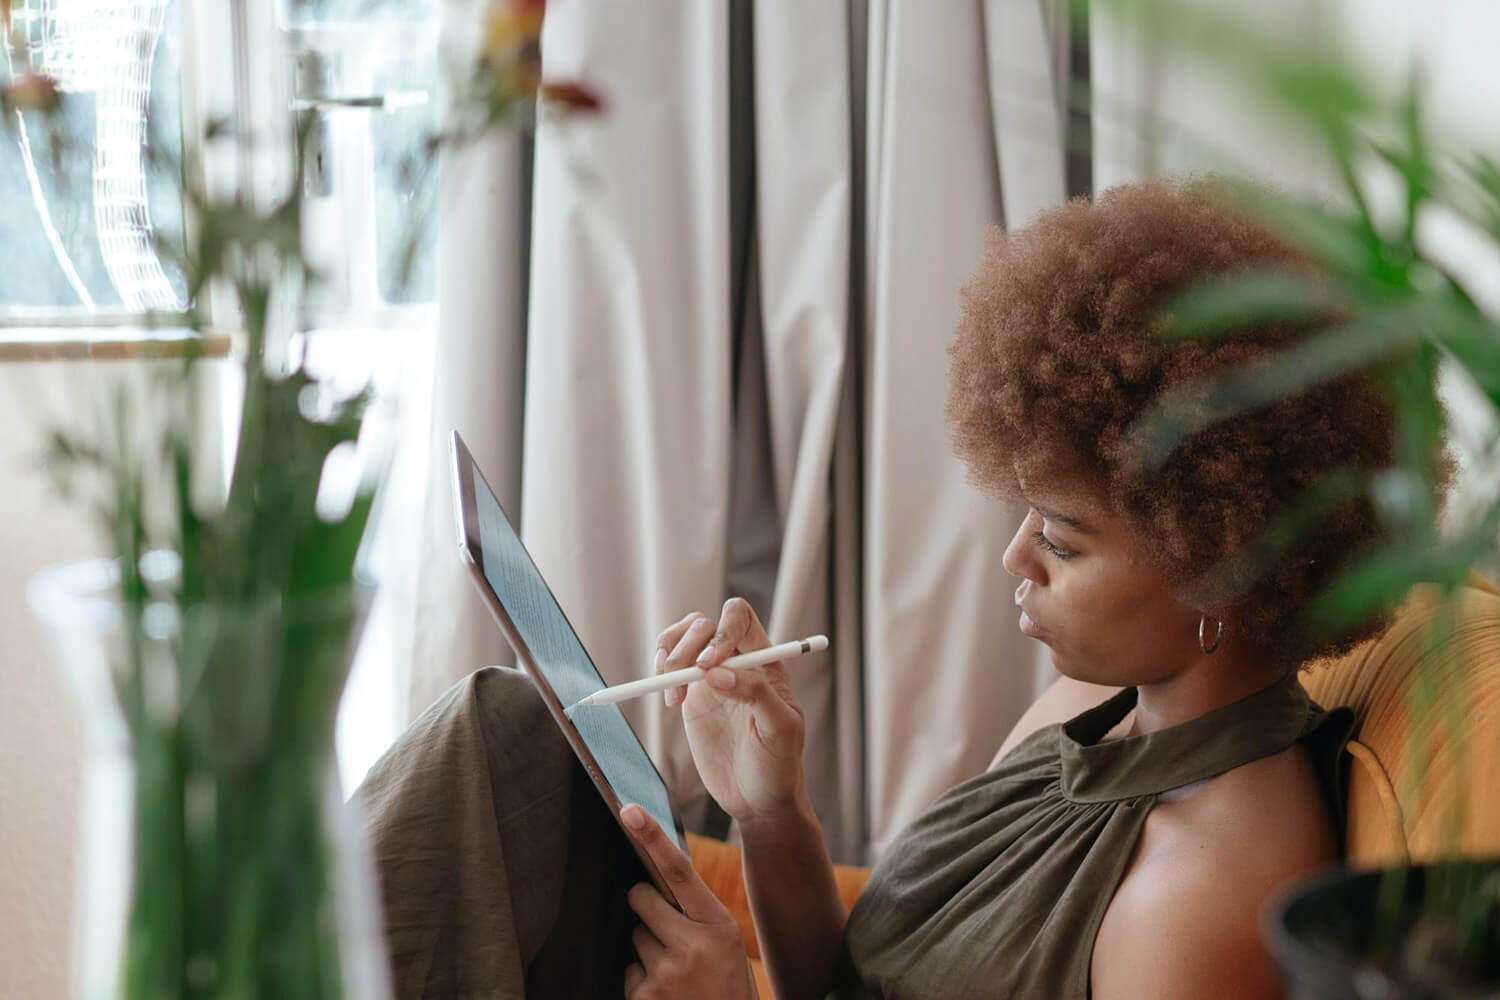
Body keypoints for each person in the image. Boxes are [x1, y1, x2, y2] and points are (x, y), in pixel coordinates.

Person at [358, 179, 1438, 1000]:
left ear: (1226, 562)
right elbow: (849, 982)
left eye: (1062, 539)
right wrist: (773, 809)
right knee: (508, 733)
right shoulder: (1090, 710)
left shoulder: (1208, 892)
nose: (1016, 557)